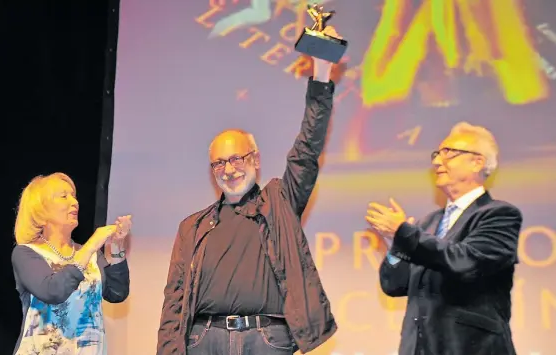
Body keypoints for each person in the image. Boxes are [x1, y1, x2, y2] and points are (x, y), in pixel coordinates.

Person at [157, 26, 341, 355]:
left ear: (255, 159)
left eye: (237, 158)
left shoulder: (279, 203)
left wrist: (322, 71)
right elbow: (174, 300)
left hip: (266, 340)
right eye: (219, 163)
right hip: (203, 341)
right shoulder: (192, 227)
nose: (229, 169)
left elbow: (307, 149)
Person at [365, 122, 522, 355]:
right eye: (437, 154)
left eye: (448, 153)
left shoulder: (499, 214)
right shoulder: (426, 224)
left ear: (477, 162)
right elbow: (394, 285)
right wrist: (396, 244)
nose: (437, 161)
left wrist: (404, 233)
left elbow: (464, 262)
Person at [11, 172, 132, 355]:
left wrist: (116, 246)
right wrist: (92, 244)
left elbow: (117, 293)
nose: (74, 202)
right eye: (63, 196)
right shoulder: (26, 253)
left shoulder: (89, 254)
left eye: (74, 196)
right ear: (40, 210)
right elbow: (53, 291)